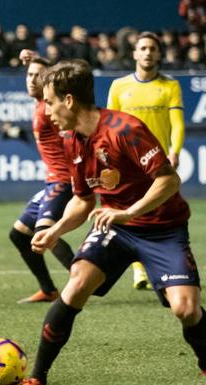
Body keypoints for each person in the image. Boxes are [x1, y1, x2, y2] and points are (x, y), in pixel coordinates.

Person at [21, 59, 206, 385]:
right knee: (77, 283)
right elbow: (82, 200)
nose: (46, 111)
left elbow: (169, 181)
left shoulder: (125, 130)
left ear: (68, 100)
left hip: (162, 229)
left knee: (187, 310)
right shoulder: (71, 140)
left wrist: (129, 211)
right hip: (116, 228)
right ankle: (36, 377)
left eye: (49, 102)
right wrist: (55, 230)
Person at [107, 31, 185, 290]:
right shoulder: (119, 86)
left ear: (159, 53)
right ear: (134, 53)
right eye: (143, 48)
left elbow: (177, 123)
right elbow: (109, 124)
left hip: (159, 163)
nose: (148, 52)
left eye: (153, 48)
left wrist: (175, 150)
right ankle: (139, 269)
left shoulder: (170, 86)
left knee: (162, 214)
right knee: (131, 213)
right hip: (128, 164)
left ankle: (161, 266)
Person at [9, 52, 73, 304]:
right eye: (29, 75)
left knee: (45, 231)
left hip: (64, 180)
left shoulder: (51, 108)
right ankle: (48, 290)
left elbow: (73, 136)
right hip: (52, 181)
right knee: (19, 235)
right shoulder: (40, 105)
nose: (32, 80)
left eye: (39, 76)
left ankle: (84, 279)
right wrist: (36, 59)